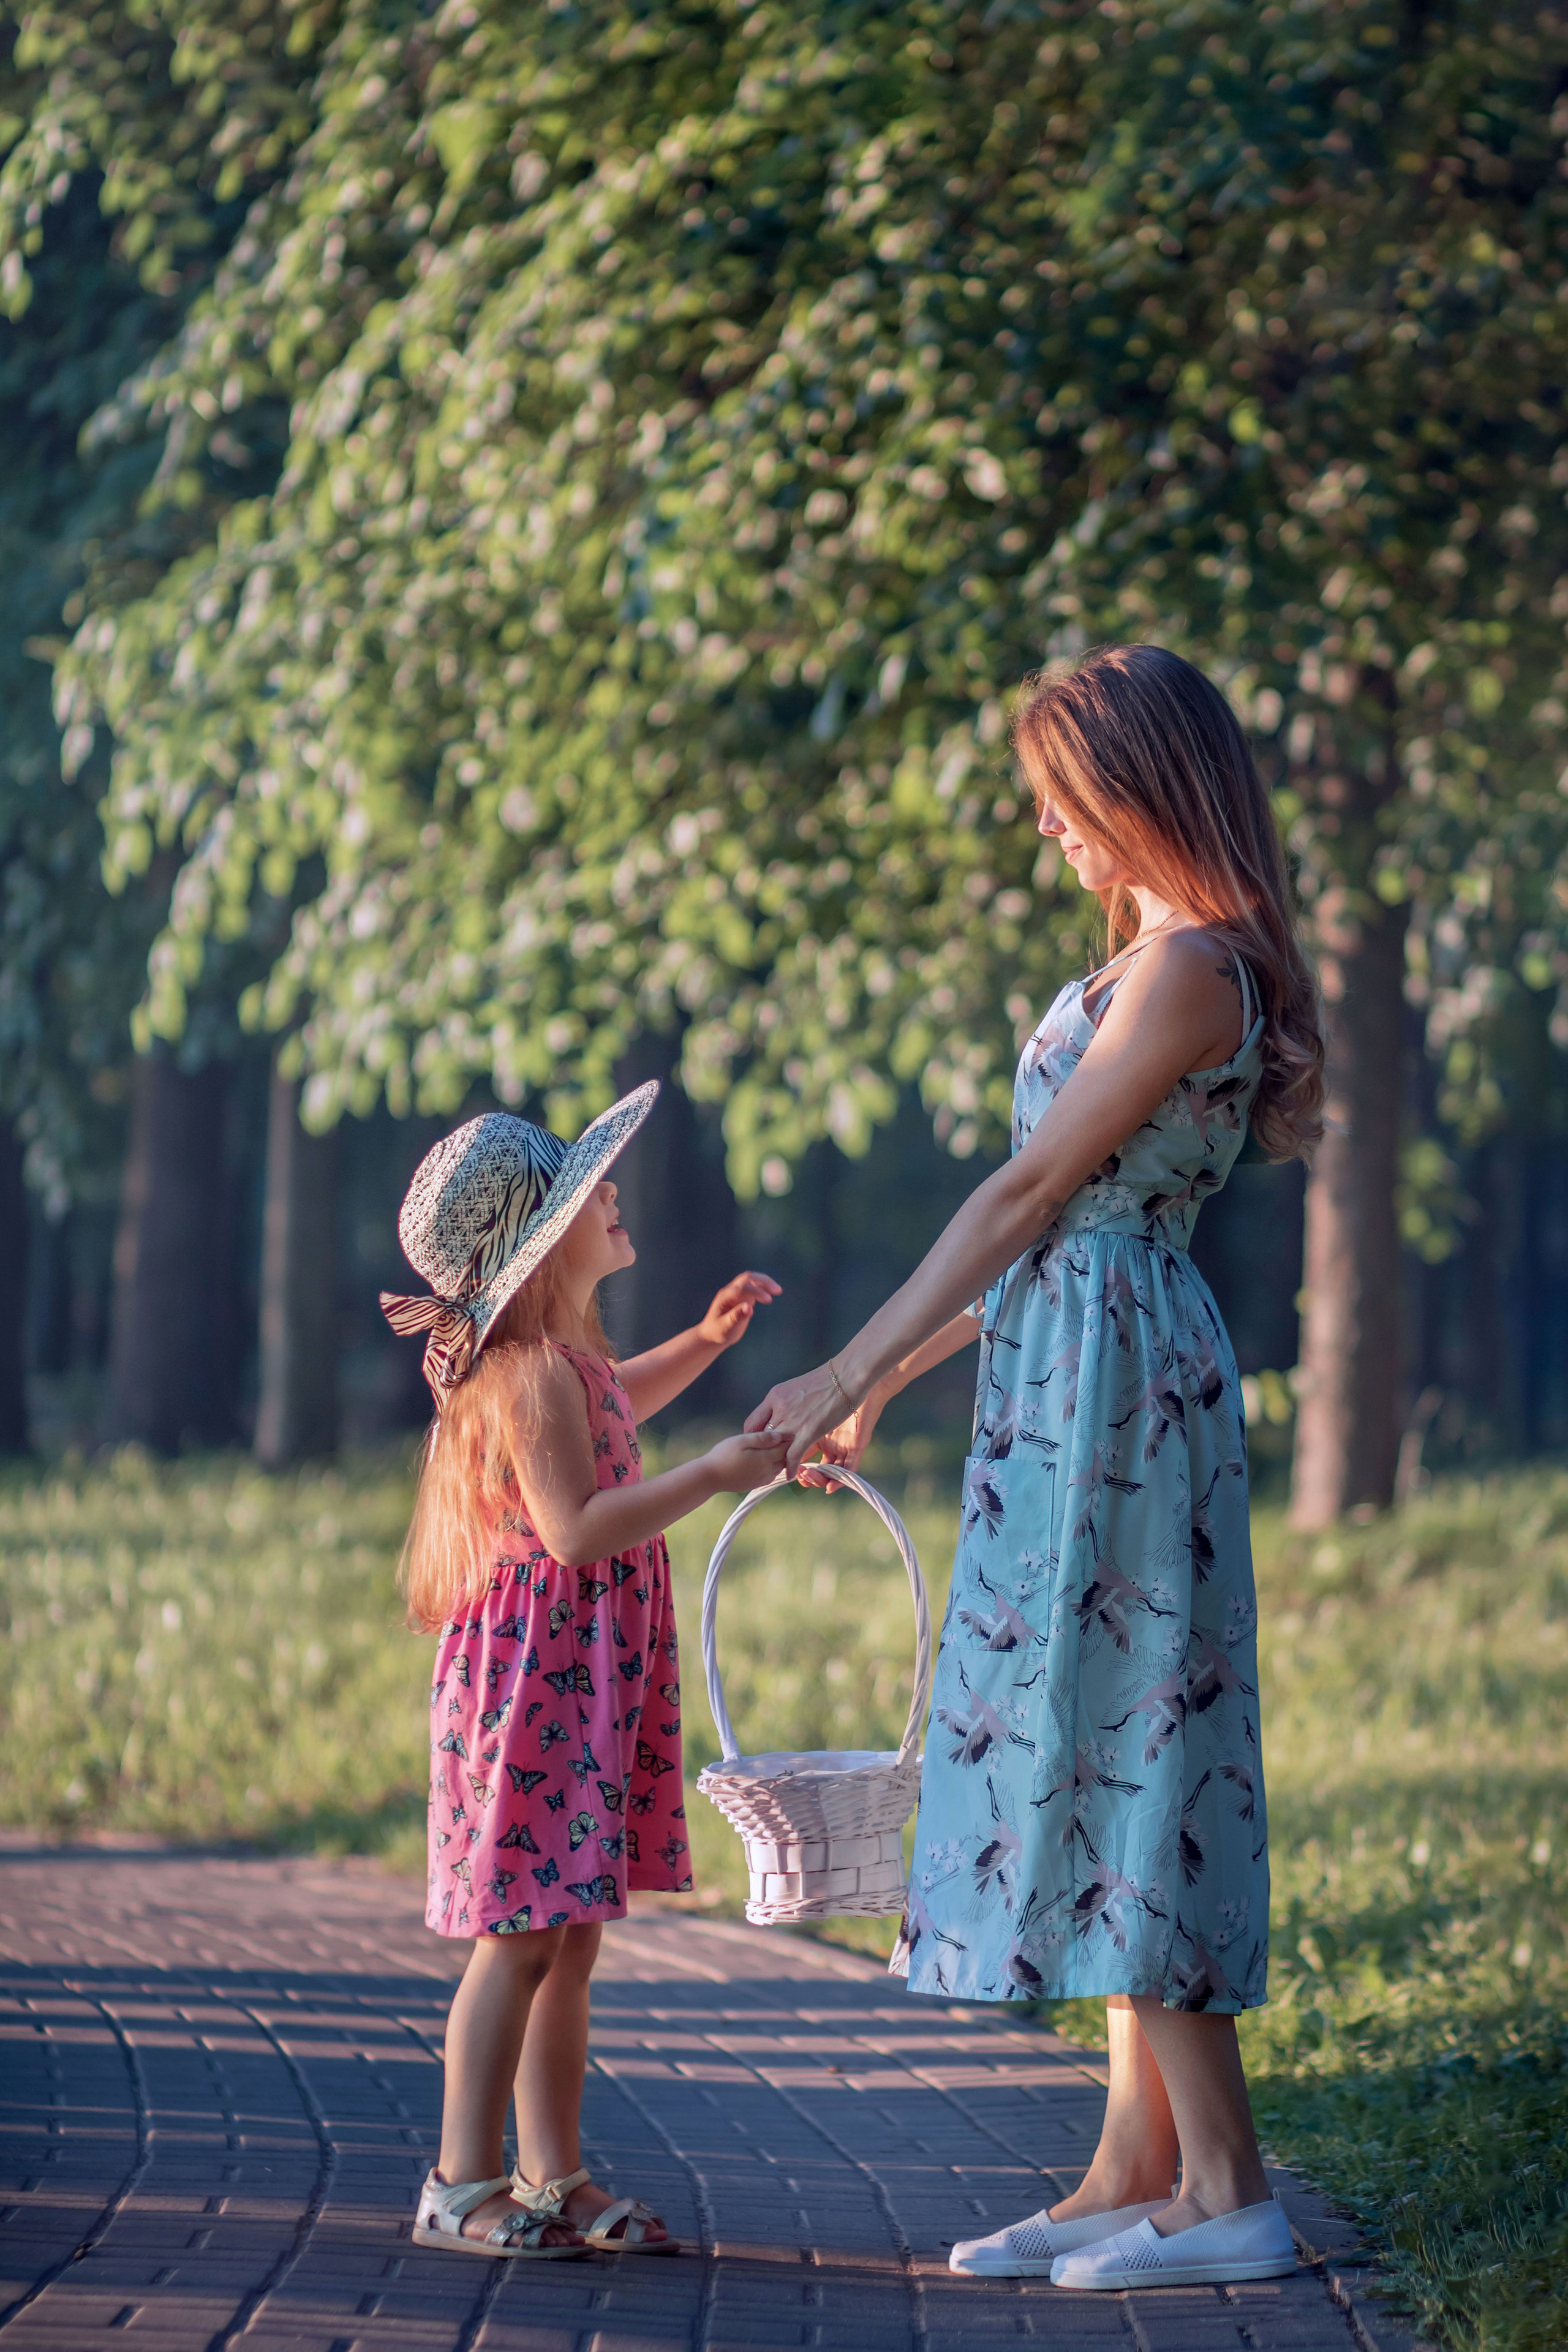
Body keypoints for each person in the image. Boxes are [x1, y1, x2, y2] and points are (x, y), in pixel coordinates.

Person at [747, 645, 1325, 2291]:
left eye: (1075, 806)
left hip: (1124, 1388)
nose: (1058, 839)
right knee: (1088, 1729)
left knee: (1142, 1736)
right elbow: (1028, 1228)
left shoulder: (1198, 969)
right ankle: (1133, 2165)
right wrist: (889, 1390)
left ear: (1149, 789)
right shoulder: (1144, 959)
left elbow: (1026, 1201)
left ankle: (1227, 2183)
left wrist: (852, 1361)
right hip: (1066, 1374)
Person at [382, 1083, 788, 2259]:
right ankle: (460, 2183)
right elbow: (575, 1528)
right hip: (535, 1699)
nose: (611, 1191)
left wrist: (705, 1347)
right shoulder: (524, 1379)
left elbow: (620, 1401)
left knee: (571, 1935)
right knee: (519, 1933)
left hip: (576, 1688)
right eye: (586, 1186)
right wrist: (715, 1474)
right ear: (545, 1243)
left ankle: (554, 2175)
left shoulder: (566, 1363)